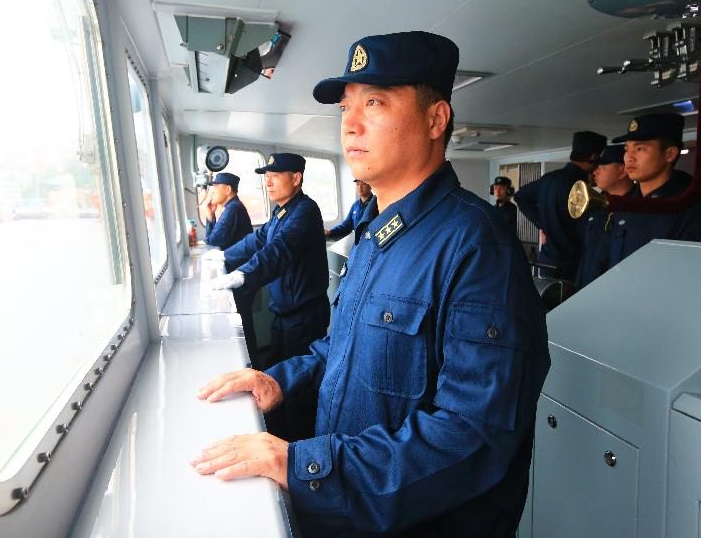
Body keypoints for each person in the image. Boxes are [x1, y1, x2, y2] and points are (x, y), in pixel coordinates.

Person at [193, 31, 549, 537]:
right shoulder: (378, 233)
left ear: (435, 119)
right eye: (345, 108)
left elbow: (473, 434)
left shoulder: (477, 247)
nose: (350, 125)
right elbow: (341, 345)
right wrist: (280, 380)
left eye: (375, 102)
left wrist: (303, 465)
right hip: (351, 512)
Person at [207, 152, 329, 442]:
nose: (269, 183)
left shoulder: (305, 211)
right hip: (283, 314)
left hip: (303, 317)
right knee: (280, 378)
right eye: (266, 177)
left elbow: (280, 250)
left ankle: (301, 444)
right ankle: (281, 433)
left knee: (300, 387)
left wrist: (244, 275)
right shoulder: (282, 212)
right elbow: (259, 240)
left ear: (296, 178)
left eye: (275, 176)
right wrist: (225, 256)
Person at [607, 113, 701, 267]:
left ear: (669, 154)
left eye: (640, 148)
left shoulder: (689, 206)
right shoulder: (626, 203)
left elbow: (693, 269)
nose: (629, 157)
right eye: (627, 149)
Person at [514, 130, 607, 282]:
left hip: (546, 261)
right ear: (594, 157)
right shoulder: (580, 187)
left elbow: (520, 197)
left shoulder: (550, 179)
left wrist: (543, 224)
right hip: (572, 265)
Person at [199, 172, 257, 359]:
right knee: (244, 319)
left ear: (228, 189)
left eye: (215, 188)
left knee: (244, 321)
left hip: (240, 272)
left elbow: (213, 239)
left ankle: (254, 363)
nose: (212, 192)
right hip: (238, 270)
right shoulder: (232, 208)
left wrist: (209, 214)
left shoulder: (233, 209)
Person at [573, 145, 632, 289]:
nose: (595, 172)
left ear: (623, 170)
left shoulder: (635, 209)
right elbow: (587, 255)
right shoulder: (597, 207)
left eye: (603, 166)